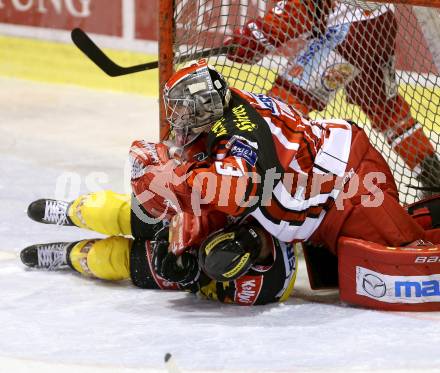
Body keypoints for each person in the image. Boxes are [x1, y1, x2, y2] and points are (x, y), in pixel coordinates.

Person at [224, 0, 440, 192]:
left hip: (347, 34)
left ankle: (264, 185)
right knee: (386, 109)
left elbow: (302, 9)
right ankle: (433, 174)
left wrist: (251, 39)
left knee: (283, 105)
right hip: (380, 23)